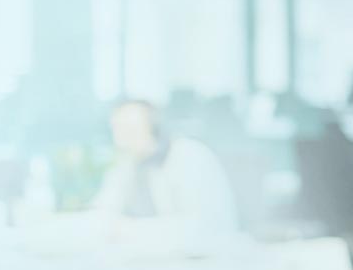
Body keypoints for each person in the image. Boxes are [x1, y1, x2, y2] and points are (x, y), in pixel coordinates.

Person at [85, 99, 239, 248]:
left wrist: (129, 230)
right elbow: (104, 211)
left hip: (212, 260)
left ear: (154, 129)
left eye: (129, 130)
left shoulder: (189, 157)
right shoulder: (129, 164)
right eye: (116, 130)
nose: (120, 141)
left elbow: (199, 228)